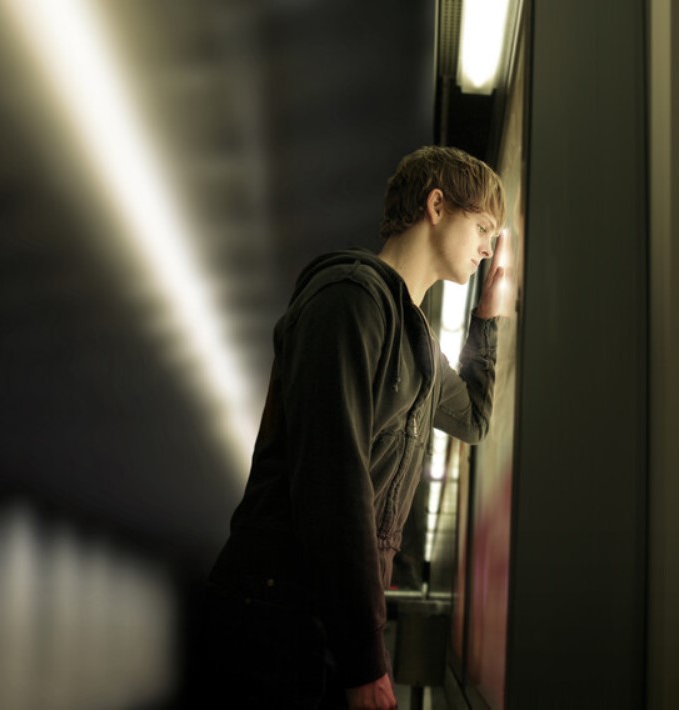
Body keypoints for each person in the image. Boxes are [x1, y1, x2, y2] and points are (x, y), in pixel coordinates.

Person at [197, 145, 507, 709]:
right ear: (437, 206)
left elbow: (475, 421)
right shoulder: (350, 299)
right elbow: (333, 482)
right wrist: (365, 659)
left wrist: (486, 319)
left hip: (322, 609)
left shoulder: (418, 345)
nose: (488, 249)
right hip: (277, 610)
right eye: (483, 226)